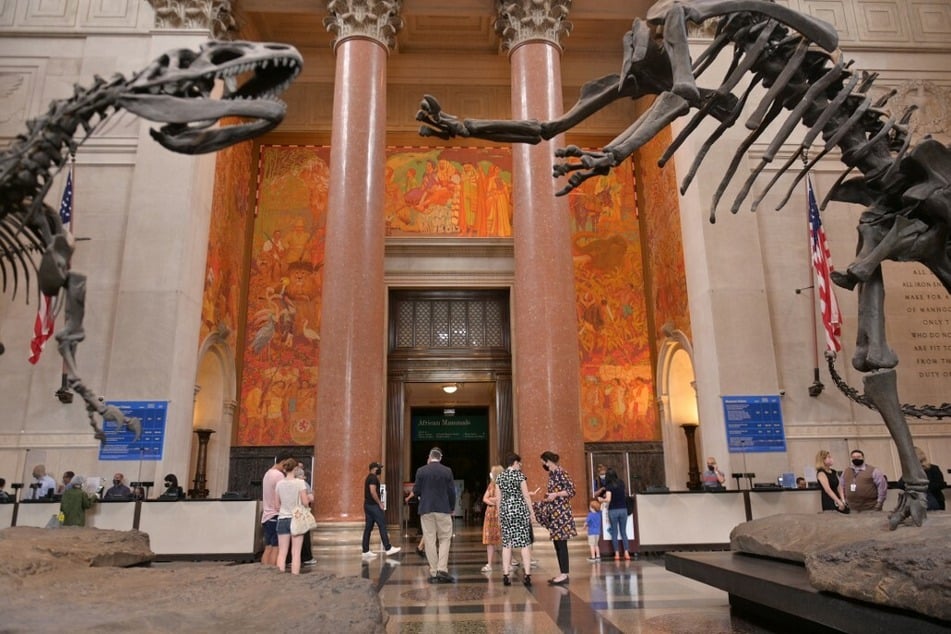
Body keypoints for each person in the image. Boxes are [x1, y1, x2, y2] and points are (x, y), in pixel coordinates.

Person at [412, 447, 456, 584]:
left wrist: (423, 497)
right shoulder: (447, 471)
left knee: (429, 539)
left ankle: (434, 571)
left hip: (426, 509)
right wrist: (452, 507)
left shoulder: (421, 470)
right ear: (440, 458)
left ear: (429, 457)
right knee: (444, 538)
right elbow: (451, 492)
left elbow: (416, 490)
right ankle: (442, 569)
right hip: (443, 509)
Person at [533, 451, 576, 586]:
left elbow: (571, 490)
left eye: (543, 462)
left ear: (548, 461)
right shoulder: (552, 474)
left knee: (561, 544)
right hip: (555, 513)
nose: (542, 465)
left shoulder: (561, 472)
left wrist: (555, 494)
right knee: (557, 544)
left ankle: (564, 574)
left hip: (561, 514)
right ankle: (562, 573)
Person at [496, 453, 536, 587]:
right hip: (520, 510)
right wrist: (531, 512)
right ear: (514, 463)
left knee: (507, 544)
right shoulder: (519, 476)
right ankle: (528, 575)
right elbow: (526, 496)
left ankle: (506, 575)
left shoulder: (500, 477)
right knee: (525, 543)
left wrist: (499, 515)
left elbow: (498, 499)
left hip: (506, 512)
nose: (520, 466)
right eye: (519, 463)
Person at [275, 458, 309, 574]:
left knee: (282, 552)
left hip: (282, 518)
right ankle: (294, 578)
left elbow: (276, 505)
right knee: (296, 552)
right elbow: (305, 502)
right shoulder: (300, 483)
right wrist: (309, 498)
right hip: (297, 519)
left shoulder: (279, 484)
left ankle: (280, 578)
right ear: (295, 468)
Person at [361, 461, 401, 559]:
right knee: (382, 525)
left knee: (368, 528)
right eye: (379, 468)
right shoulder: (373, 478)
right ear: (374, 468)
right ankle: (388, 548)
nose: (380, 470)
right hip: (374, 506)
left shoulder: (368, 477)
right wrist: (380, 503)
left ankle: (365, 550)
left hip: (367, 505)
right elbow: (373, 491)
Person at [261, 451, 295, 567]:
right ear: (284, 462)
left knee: (268, 546)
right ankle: (273, 571)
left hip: (266, 515)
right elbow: (284, 495)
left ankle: (264, 570)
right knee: (277, 548)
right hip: (276, 514)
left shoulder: (267, 473)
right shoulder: (279, 476)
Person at [898, 447, 946, 511]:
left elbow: (941, 484)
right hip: (916, 502)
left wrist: (923, 487)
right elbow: (900, 484)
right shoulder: (910, 471)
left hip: (933, 500)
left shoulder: (933, 468)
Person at [597, 467, 630, 560]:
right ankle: (626, 553)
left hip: (613, 510)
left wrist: (601, 499)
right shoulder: (621, 483)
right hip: (623, 509)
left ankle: (617, 554)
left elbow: (608, 499)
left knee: (614, 532)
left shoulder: (609, 487)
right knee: (624, 532)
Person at [291, 464, 316, 566]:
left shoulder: (285, 483)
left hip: (288, 513)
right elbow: (309, 499)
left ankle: (288, 560)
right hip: (300, 514)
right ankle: (306, 558)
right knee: (303, 537)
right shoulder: (303, 484)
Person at [480, 465, 503, 572]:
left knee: (504, 539)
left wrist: (492, 500)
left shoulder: (503, 485)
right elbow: (485, 499)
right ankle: (489, 563)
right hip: (492, 513)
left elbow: (500, 499)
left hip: (499, 512)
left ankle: (509, 562)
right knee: (490, 540)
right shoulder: (491, 485)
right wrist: (495, 501)